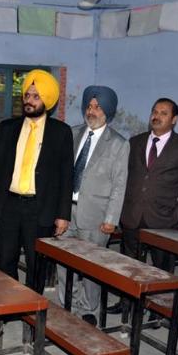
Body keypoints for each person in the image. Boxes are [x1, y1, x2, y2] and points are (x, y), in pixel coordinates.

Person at [0, 69, 73, 287]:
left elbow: (67, 176)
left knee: (37, 264)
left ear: (47, 100)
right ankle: (8, 307)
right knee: (5, 260)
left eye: (36, 97)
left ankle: (33, 313)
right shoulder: (8, 128)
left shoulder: (61, 132)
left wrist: (63, 214)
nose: (29, 100)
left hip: (41, 208)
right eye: (27, 95)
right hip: (9, 204)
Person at [56, 86, 129, 326]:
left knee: (92, 267)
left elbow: (119, 184)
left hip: (96, 216)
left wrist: (111, 218)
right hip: (68, 211)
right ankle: (67, 303)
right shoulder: (72, 133)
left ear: (108, 111)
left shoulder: (118, 144)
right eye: (89, 106)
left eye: (97, 107)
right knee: (63, 261)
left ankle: (88, 308)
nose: (92, 111)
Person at [120, 97, 178, 272]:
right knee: (127, 269)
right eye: (154, 112)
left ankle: (158, 299)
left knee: (161, 273)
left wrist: (174, 216)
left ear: (174, 120)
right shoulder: (135, 142)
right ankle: (127, 301)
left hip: (163, 220)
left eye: (163, 113)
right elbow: (123, 177)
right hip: (131, 217)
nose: (157, 116)